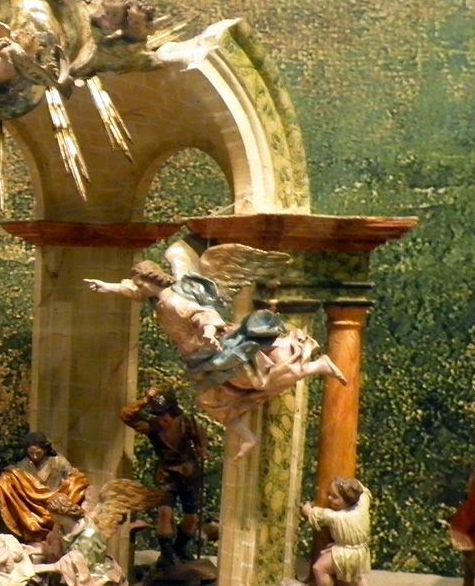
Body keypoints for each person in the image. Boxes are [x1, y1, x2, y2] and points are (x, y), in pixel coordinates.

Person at [86, 241, 345, 459]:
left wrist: (209, 332)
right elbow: (133, 290)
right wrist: (107, 287)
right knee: (209, 401)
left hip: (216, 349)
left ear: (150, 280)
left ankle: (316, 366)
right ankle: (247, 436)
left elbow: (204, 314)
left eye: (140, 284)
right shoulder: (158, 297)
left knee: (256, 382)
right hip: (199, 357)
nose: (138, 288)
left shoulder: (174, 300)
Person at [121, 387, 207, 567]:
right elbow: (127, 416)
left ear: (173, 412)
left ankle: (180, 548)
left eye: (165, 415)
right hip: (167, 475)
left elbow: (201, 438)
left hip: (189, 474)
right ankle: (166, 553)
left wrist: (202, 449)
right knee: (164, 513)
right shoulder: (153, 427)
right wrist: (145, 400)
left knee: (191, 517)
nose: (162, 420)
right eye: (158, 416)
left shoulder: (187, 422)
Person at [0, 432, 89, 548]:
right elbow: (6, 482)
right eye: (31, 453)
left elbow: (76, 478)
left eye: (38, 453)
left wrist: (74, 492)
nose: (34, 456)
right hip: (31, 510)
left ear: (45, 450)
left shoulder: (58, 462)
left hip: (55, 505)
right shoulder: (23, 466)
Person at [305, 479, 375, 586]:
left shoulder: (335, 517)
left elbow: (313, 514)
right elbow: (365, 492)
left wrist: (307, 507)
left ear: (347, 500)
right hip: (359, 550)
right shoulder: (362, 505)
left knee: (319, 568)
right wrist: (350, 483)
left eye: (335, 497)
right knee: (352, 576)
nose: (329, 498)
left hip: (345, 552)